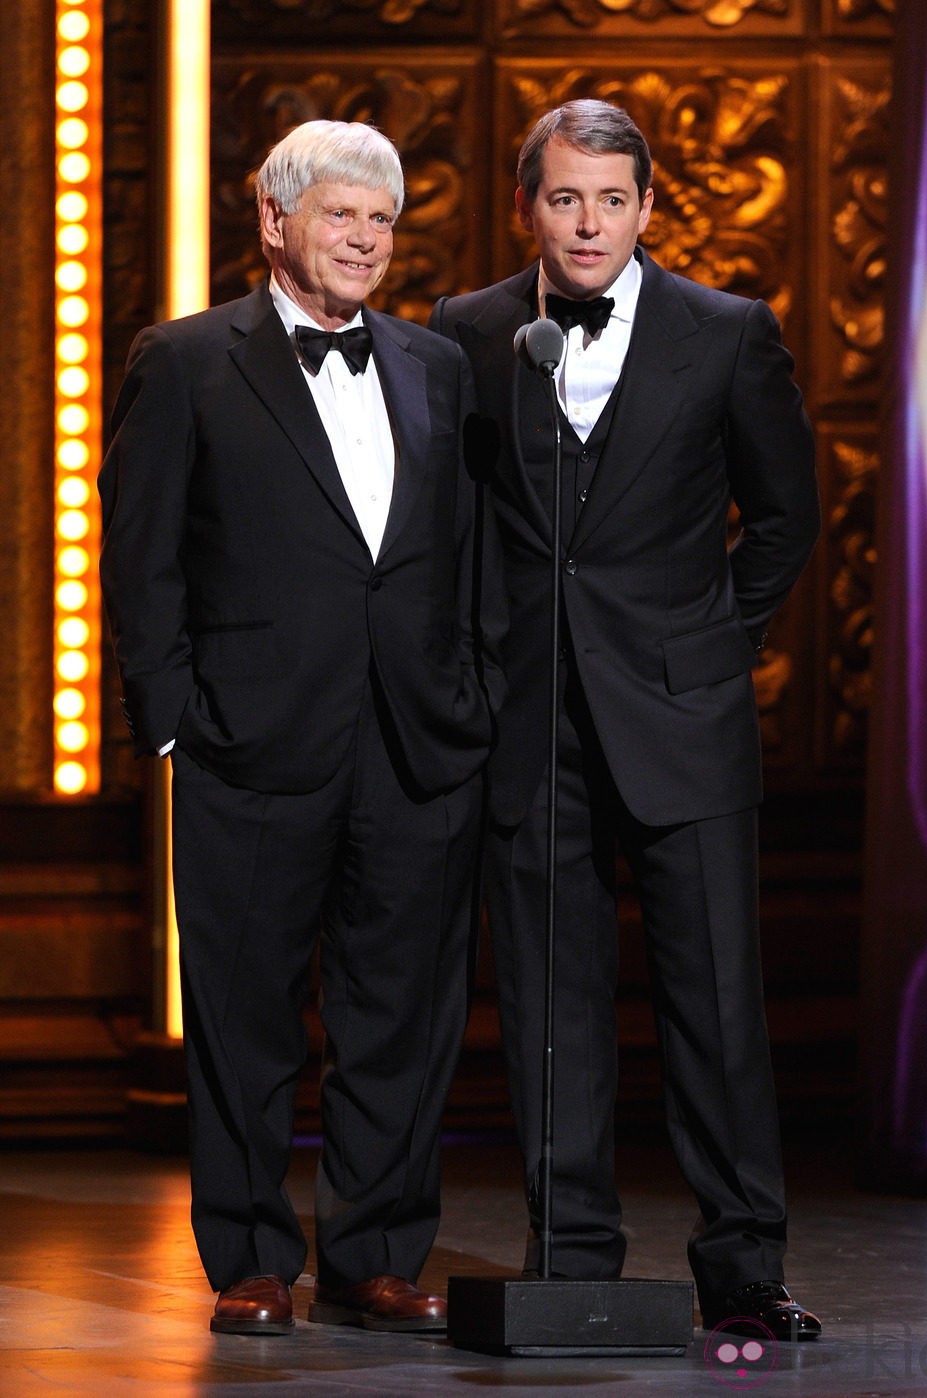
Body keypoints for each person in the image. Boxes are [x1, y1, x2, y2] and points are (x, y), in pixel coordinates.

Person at [99, 119, 505, 1337]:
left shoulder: (436, 367)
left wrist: (472, 699)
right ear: (273, 221)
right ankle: (252, 1260)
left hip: (418, 744)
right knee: (243, 1014)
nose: (367, 242)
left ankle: (375, 1257)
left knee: (400, 1015)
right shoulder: (182, 360)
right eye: (342, 216)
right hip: (248, 742)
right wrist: (170, 722)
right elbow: (139, 555)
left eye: (381, 222)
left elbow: (467, 552)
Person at [429, 98, 822, 1340]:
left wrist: (712, 643)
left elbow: (783, 518)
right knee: (549, 1004)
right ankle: (575, 1254)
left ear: (648, 209)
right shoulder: (470, 332)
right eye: (563, 198)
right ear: (526, 207)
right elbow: (455, 526)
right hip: (529, 718)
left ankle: (743, 1263)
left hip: (682, 716)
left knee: (714, 1003)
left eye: (610, 199)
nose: (587, 222)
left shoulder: (726, 334)